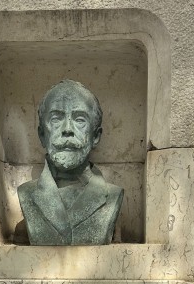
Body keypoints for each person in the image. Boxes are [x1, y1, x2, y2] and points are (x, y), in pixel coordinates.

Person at [17, 80, 124, 245]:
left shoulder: (112, 195)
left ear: (96, 136)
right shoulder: (26, 194)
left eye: (80, 120)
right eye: (56, 119)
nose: (67, 129)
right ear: (42, 135)